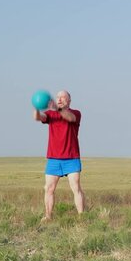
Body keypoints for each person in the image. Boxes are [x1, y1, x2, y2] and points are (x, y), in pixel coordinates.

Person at [33, 90, 84, 221]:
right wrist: (37, 108)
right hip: (54, 159)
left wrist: (57, 108)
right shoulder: (51, 114)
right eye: (58, 97)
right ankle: (48, 216)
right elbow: (38, 118)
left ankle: (82, 217)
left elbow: (70, 118)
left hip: (71, 158)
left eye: (63, 97)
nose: (59, 99)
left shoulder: (76, 113)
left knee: (76, 188)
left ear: (69, 100)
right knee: (49, 189)